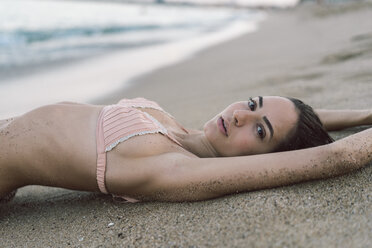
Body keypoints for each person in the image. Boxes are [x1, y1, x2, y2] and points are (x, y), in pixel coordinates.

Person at [0, 96, 371, 203]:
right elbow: (300, 120)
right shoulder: (182, 131)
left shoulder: (175, 169)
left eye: (260, 130)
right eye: (252, 103)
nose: (241, 115)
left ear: (266, 159)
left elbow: (335, 157)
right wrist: (366, 113)